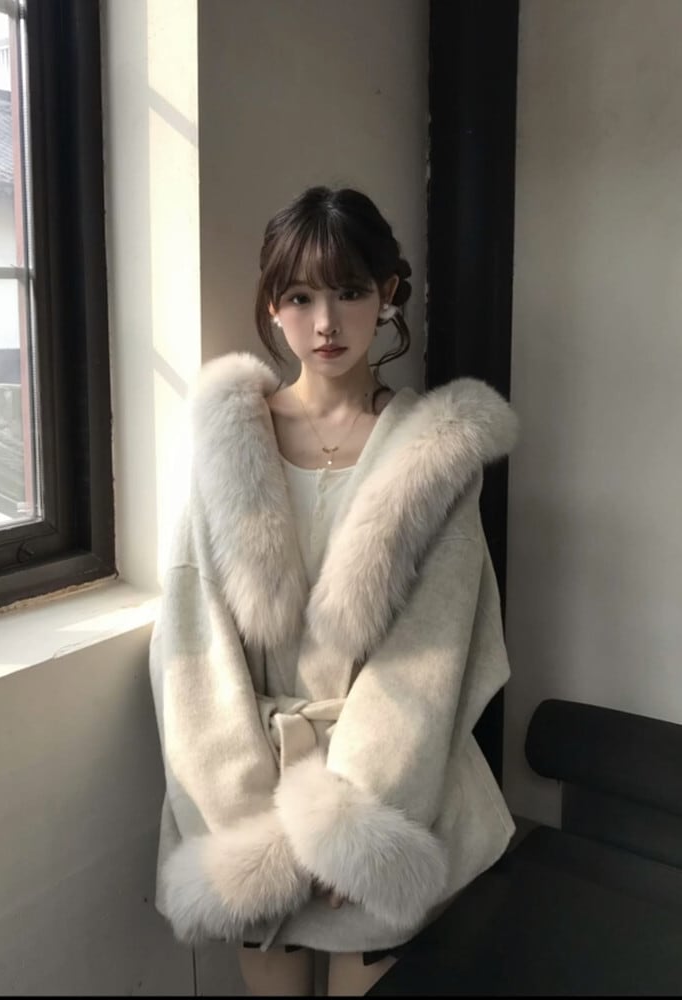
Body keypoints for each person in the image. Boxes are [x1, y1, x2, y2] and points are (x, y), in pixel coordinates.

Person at [148, 185, 519, 996]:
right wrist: (250, 828)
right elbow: (192, 652)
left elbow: (429, 659)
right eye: (300, 296)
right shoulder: (228, 447)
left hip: (388, 799)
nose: (325, 322)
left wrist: (352, 826)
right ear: (272, 305)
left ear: (387, 294)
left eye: (349, 291)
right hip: (248, 797)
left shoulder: (435, 459)